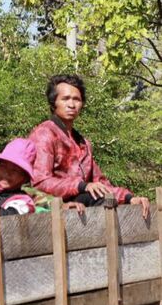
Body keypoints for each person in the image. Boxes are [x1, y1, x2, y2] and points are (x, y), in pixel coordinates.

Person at [28, 74, 150, 218]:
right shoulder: (44, 134)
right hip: (51, 208)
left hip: (81, 204)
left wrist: (129, 198)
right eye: (65, 99)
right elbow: (40, 182)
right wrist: (81, 186)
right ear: (53, 102)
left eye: (76, 99)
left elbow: (101, 183)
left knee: (108, 199)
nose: (71, 104)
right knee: (96, 198)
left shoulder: (83, 143)